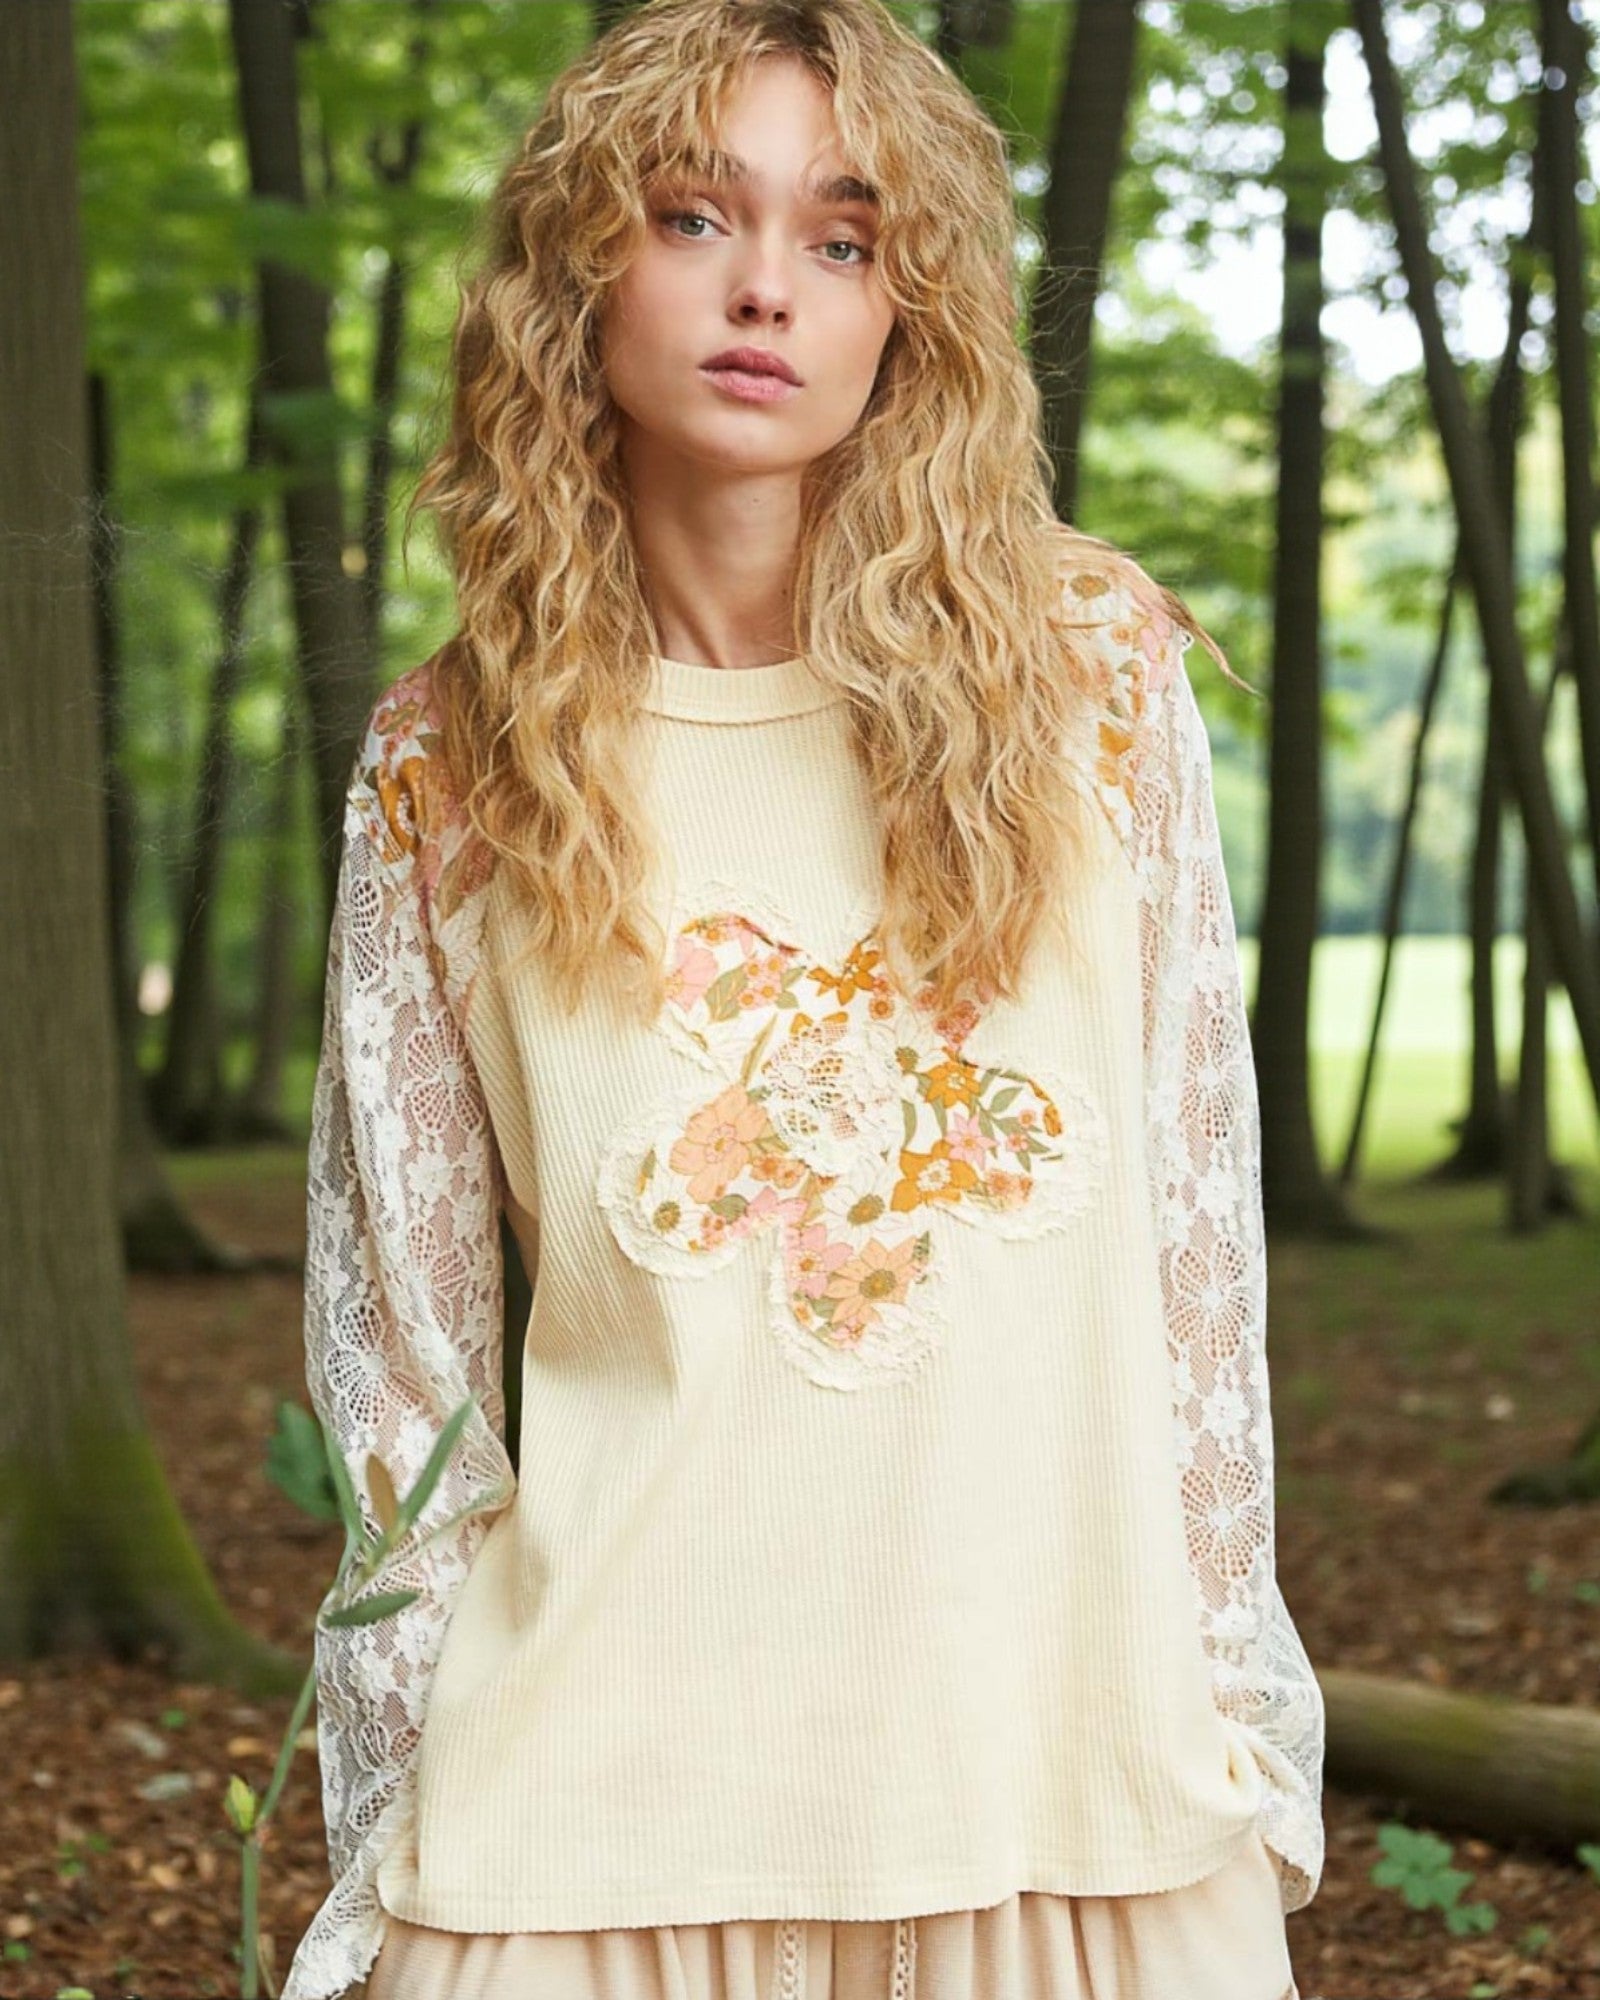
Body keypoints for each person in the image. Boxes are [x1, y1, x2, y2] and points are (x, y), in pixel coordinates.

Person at [279, 3, 1325, 1997]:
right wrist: (391, 1812)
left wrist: (1239, 1723)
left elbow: (1196, 1256)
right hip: (581, 1835)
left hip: (1065, 1806)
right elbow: (405, 1375)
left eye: (842, 239)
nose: (767, 286)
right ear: (573, 268)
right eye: (692, 215)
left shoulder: (1090, 682)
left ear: (903, 306)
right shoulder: (450, 762)